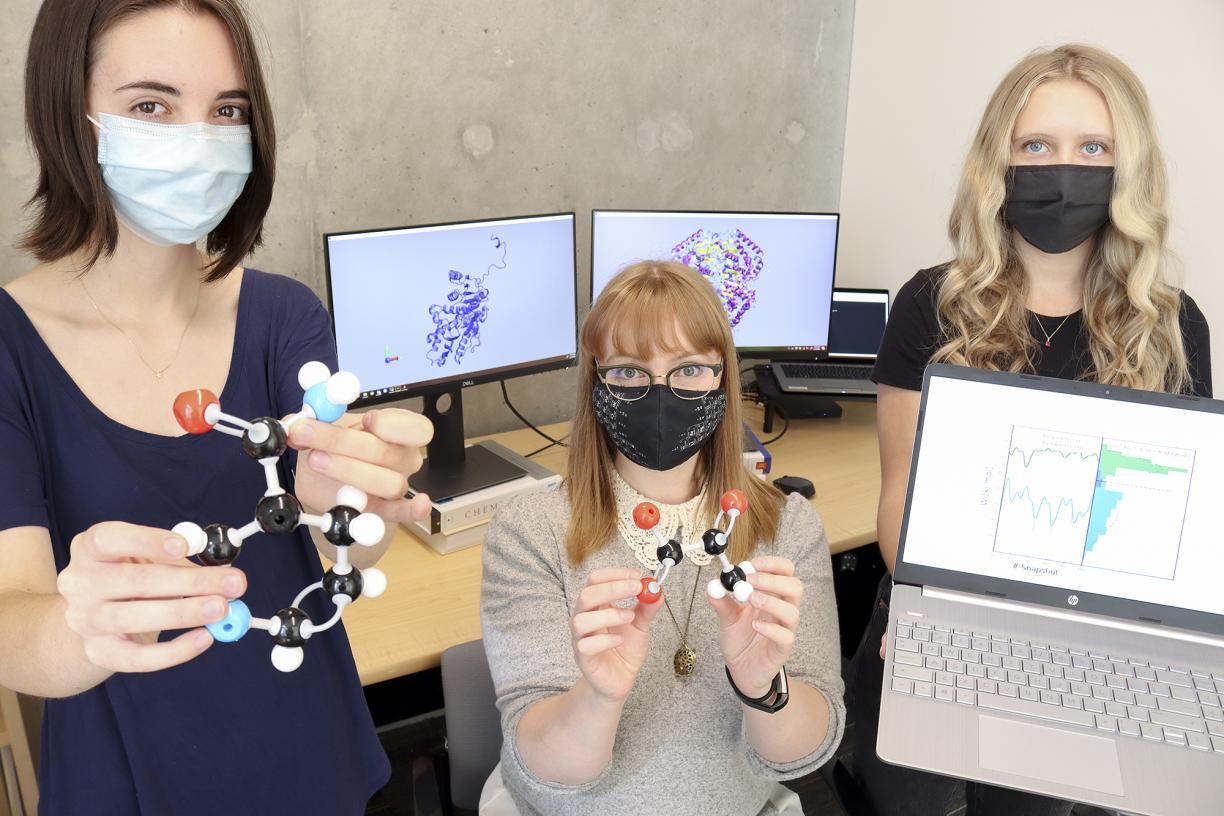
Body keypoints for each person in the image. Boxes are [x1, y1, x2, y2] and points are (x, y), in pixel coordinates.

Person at [0, 1, 433, 813]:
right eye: (151, 106)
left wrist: (354, 506)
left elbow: (349, 556)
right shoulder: (10, 348)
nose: (197, 140)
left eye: (226, 110)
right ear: (71, 114)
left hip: (313, 759)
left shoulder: (283, 317)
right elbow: (8, 620)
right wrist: (79, 628)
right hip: (127, 779)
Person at [852, 44, 1212, 816]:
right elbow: (897, 504)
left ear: (1128, 168)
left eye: (1093, 149)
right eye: (1036, 146)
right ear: (999, 160)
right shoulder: (930, 306)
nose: (1063, 170)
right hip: (950, 625)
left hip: (1100, 655)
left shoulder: (1174, 327)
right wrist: (943, 617)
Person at [480, 260, 846, 816]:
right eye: (628, 371)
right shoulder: (530, 530)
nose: (660, 394)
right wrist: (599, 697)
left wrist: (763, 687)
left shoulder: (785, 525)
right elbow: (545, 768)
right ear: (595, 383)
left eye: (689, 370)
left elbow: (803, 754)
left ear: (723, 376)